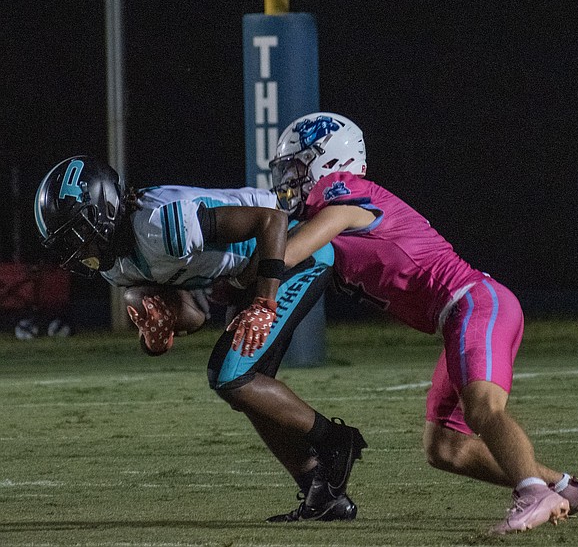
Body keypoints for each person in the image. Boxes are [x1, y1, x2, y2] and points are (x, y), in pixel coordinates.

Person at [269, 113, 578, 534]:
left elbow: (293, 249)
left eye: (297, 168)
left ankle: (533, 492)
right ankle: (563, 486)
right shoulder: (324, 211)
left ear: (328, 163)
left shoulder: (343, 196)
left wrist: (251, 261)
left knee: (484, 408)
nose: (289, 179)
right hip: (458, 315)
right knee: (445, 449)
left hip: (471, 302)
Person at [33, 155, 367, 522]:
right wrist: (154, 336)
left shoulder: (160, 223)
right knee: (248, 391)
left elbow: (271, 219)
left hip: (292, 250)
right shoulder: (117, 265)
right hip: (248, 277)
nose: (78, 252)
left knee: (230, 375)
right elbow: (194, 314)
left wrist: (263, 303)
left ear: (105, 209)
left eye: (78, 236)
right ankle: (322, 495)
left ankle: (334, 441)